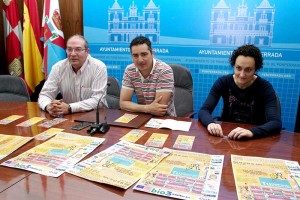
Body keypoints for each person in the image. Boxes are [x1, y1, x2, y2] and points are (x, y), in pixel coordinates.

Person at [198, 44, 282, 140]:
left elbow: (276, 123)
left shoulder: (265, 87)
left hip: (253, 138)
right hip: (226, 135)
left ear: (256, 69)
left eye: (248, 70)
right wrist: (210, 123)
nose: (242, 75)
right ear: (233, 65)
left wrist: (251, 132)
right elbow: (204, 110)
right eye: (238, 68)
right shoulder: (223, 82)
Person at [38, 34, 107, 117]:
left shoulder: (98, 67)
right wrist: (48, 106)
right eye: (69, 50)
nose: (73, 54)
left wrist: (70, 108)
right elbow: (45, 94)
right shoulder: (58, 67)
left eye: (78, 49)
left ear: (87, 52)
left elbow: (98, 100)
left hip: (95, 116)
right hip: (68, 116)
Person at [120, 36, 176, 116]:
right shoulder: (130, 70)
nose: (140, 60)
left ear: (152, 53)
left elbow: (159, 109)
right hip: (142, 117)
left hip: (164, 120)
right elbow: (123, 103)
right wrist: (147, 108)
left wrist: (141, 108)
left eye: (144, 54)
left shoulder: (164, 70)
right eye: (135, 55)